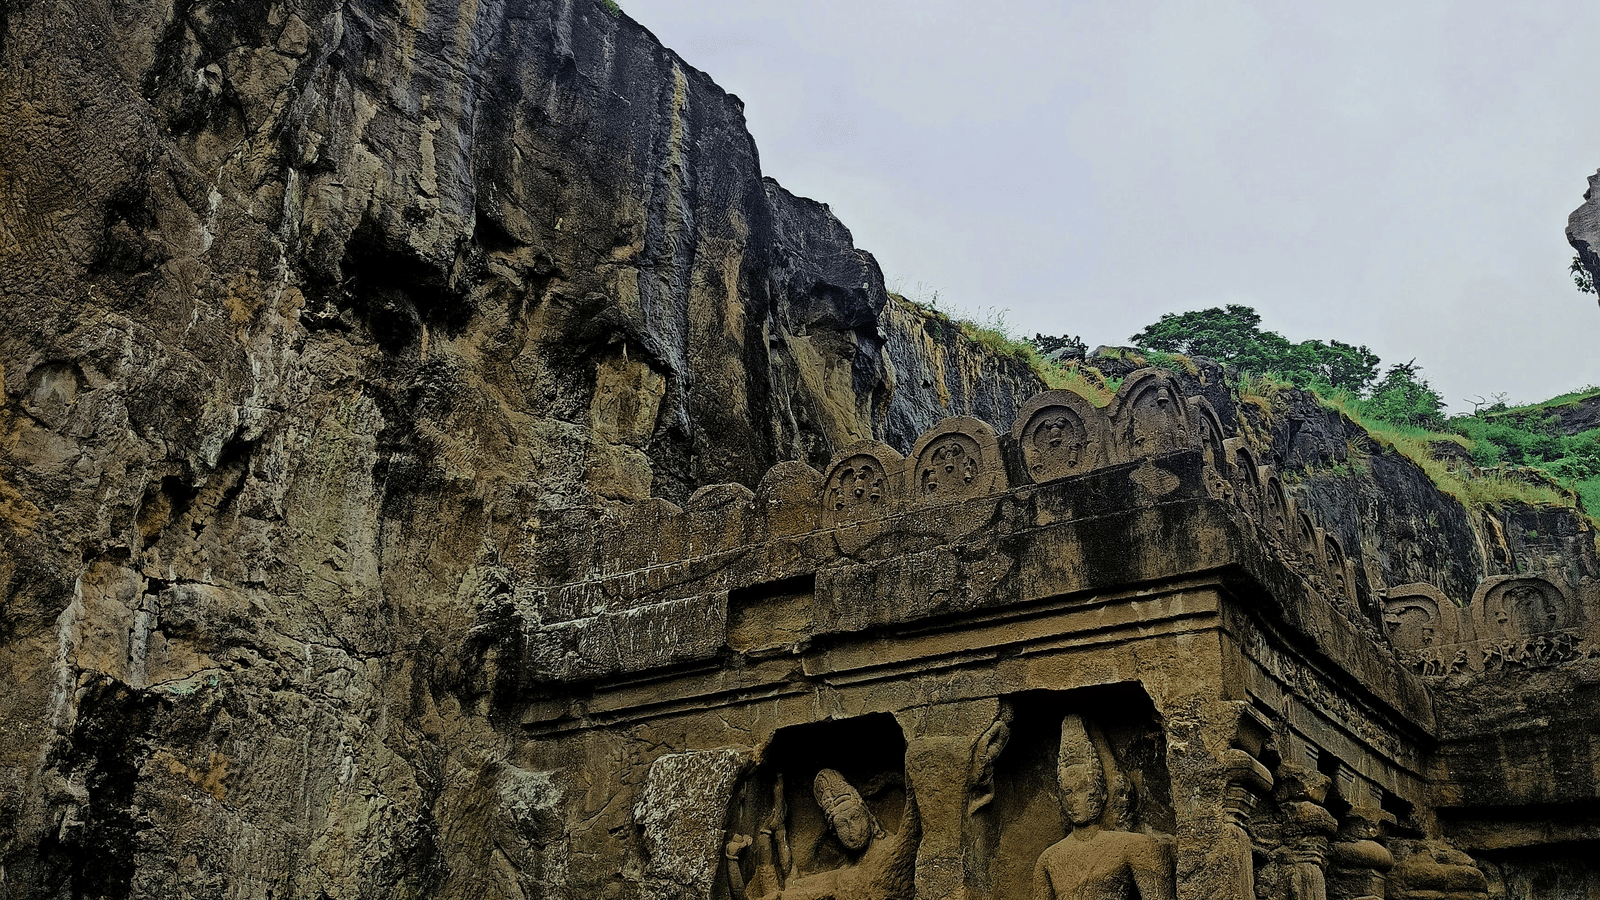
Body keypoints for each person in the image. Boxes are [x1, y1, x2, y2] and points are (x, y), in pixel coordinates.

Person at [1031, 714, 1175, 900]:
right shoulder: (1048, 860)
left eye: (1084, 788)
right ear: (1060, 797)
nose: (1076, 799)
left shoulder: (1135, 846)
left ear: (1102, 793)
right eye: (1068, 792)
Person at [727, 768, 919, 900]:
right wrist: (778, 832)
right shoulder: (846, 871)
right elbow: (793, 883)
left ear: (868, 814)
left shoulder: (890, 849)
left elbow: (913, 814)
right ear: (834, 833)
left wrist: (891, 779)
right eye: (842, 826)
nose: (853, 830)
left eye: (854, 817)